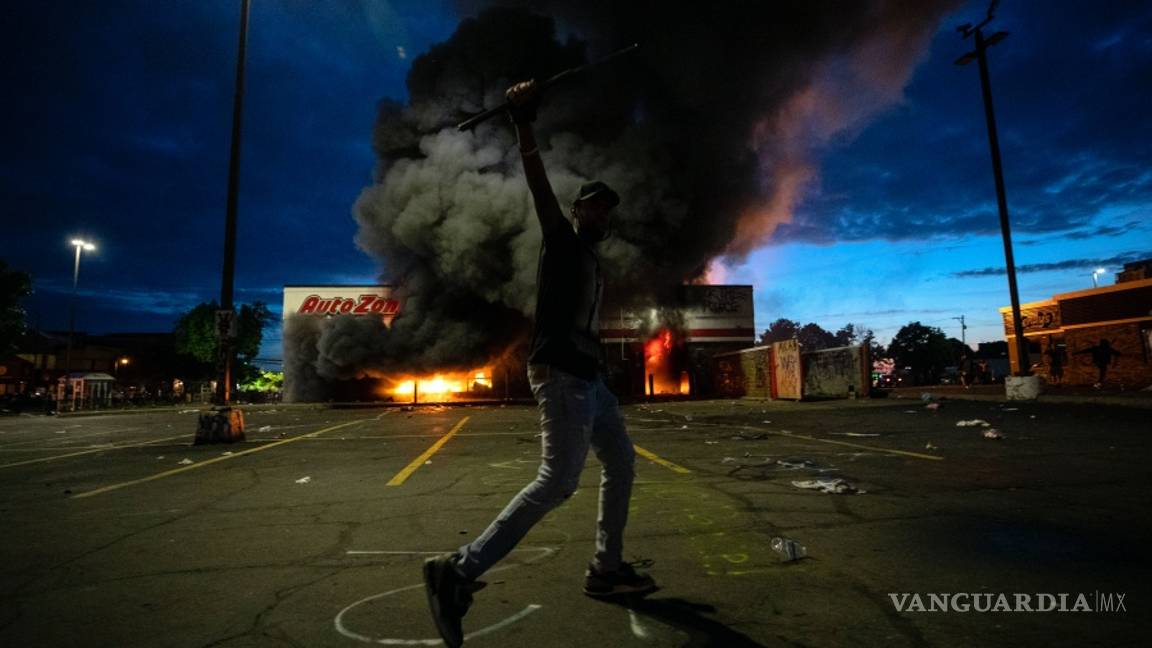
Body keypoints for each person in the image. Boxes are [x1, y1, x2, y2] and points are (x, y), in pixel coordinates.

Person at [422, 79, 655, 648]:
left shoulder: (595, 264)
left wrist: (602, 370)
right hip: (560, 375)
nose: (601, 212)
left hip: (589, 382)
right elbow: (537, 183)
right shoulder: (562, 240)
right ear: (578, 212)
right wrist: (523, 122)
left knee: (621, 464)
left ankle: (606, 569)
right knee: (557, 482)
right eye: (593, 205)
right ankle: (458, 570)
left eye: (607, 208)